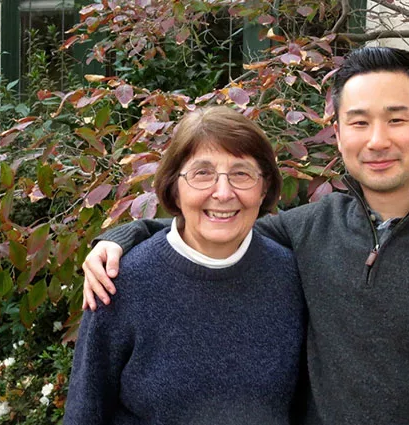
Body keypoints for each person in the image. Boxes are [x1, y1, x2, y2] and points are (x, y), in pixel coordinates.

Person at [82, 47, 409, 425]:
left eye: (396, 120)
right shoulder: (311, 228)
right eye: (358, 122)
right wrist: (123, 237)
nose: (376, 141)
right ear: (337, 135)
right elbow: (216, 226)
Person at [65, 107, 306, 424]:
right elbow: (87, 411)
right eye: (202, 173)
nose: (223, 193)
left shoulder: (291, 276)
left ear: (264, 187)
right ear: (174, 187)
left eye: (241, 173)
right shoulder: (120, 282)